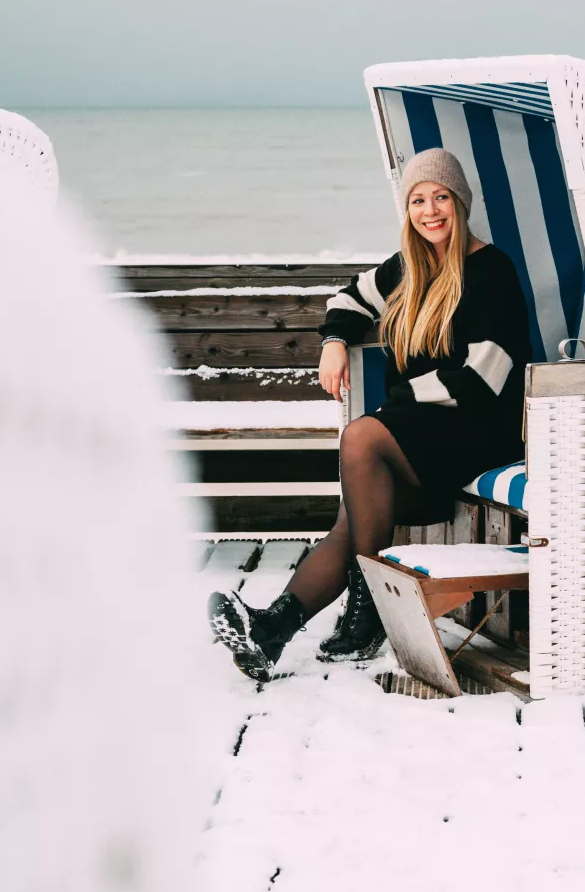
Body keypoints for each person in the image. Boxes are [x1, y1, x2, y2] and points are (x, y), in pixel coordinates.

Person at [207, 148, 532, 680]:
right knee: (354, 517)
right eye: (418, 201)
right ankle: (271, 633)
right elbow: (349, 298)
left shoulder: (492, 270)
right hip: (424, 436)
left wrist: (399, 404)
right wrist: (334, 341)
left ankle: (366, 618)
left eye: (440, 198)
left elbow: (483, 378)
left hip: (479, 432)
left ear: (461, 202)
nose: (430, 211)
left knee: (363, 437)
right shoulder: (410, 267)